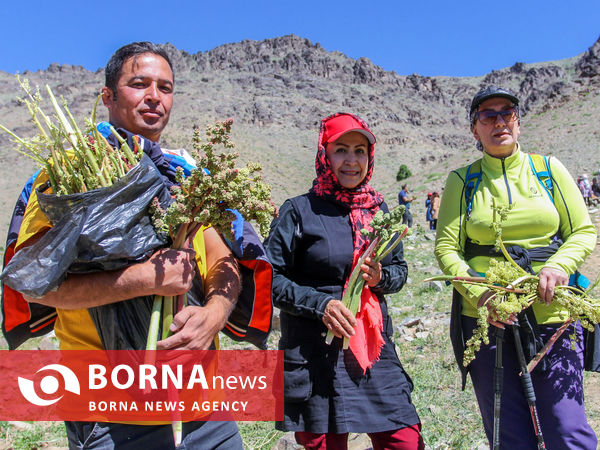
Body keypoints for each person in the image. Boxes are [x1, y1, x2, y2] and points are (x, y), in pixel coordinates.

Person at [3, 42, 244, 449]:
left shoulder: (186, 177)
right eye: (139, 83)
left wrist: (216, 312)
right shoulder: (66, 177)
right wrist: (146, 278)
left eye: (165, 87)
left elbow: (225, 261)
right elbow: (35, 284)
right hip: (109, 412)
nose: (155, 96)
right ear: (108, 97)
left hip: (205, 407)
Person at [434, 86, 597, 448]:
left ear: (518, 122)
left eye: (507, 112)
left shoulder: (548, 169)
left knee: (566, 429)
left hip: (555, 313)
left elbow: (583, 232)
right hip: (487, 318)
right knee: (508, 433)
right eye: (487, 116)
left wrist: (558, 267)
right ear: (474, 129)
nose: (499, 121)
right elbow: (447, 247)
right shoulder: (462, 181)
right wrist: (481, 296)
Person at [265, 113, 423, 449]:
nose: (352, 161)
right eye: (341, 150)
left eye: (359, 151)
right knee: (326, 442)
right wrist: (320, 305)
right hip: (314, 350)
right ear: (324, 154)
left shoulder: (380, 212)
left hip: (371, 346)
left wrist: (381, 278)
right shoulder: (298, 212)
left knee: (403, 439)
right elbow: (269, 279)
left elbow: (400, 271)